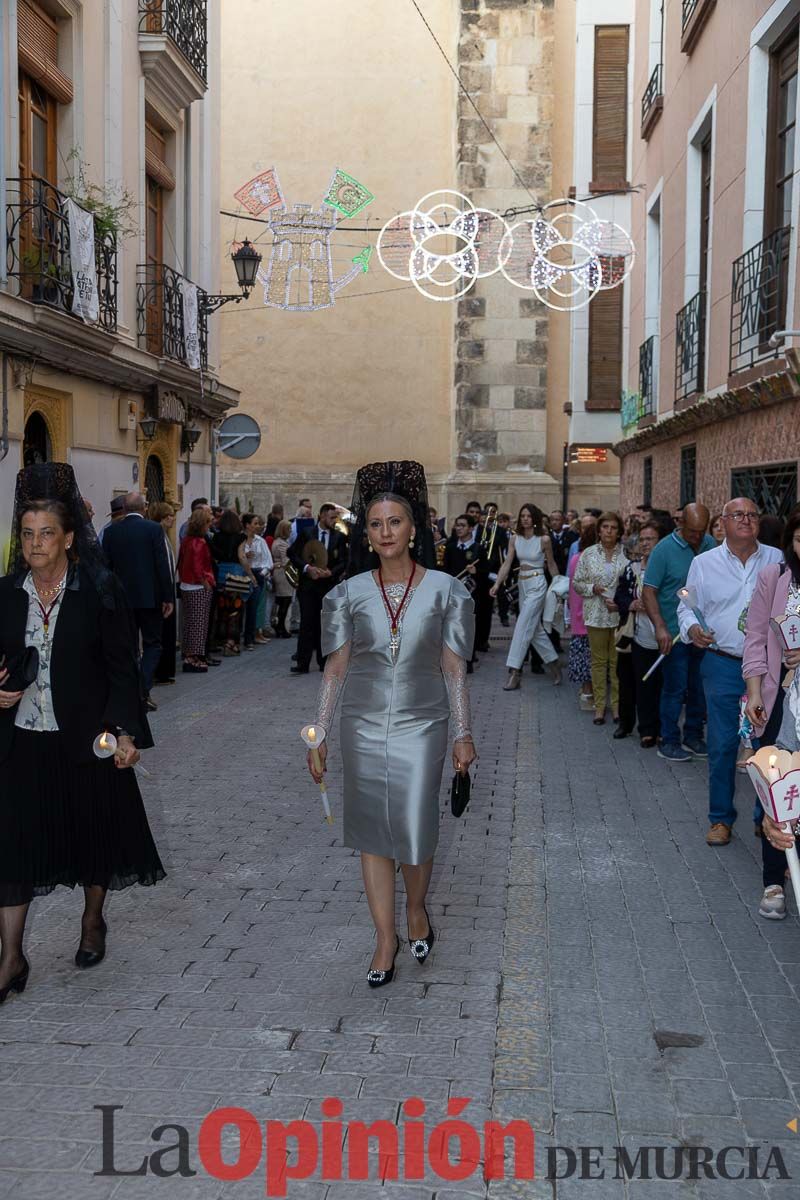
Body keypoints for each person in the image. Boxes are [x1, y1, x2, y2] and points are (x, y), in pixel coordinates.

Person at [308, 461, 475, 987]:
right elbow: (335, 668)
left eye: (395, 522)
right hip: (360, 723)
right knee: (372, 834)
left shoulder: (449, 590)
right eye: (375, 524)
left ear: (413, 528)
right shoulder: (348, 592)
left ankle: (417, 908)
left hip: (424, 724)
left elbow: (453, 666)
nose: (384, 533)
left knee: (414, 826)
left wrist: (463, 734)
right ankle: (385, 939)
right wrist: (319, 732)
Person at [0, 464, 164, 1001]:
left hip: (88, 736)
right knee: (12, 846)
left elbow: (122, 665)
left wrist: (125, 732)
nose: (36, 543)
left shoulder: (99, 589)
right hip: (21, 737)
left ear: (68, 537)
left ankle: (93, 920)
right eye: (27, 533)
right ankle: (11, 957)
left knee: (94, 831)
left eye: (46, 533)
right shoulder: (5, 593)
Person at [678, 498, 783, 846]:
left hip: (769, 666)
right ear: (722, 522)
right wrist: (693, 629)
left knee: (766, 745)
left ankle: (764, 816)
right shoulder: (704, 563)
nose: (746, 520)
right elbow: (686, 606)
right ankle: (720, 818)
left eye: (752, 515)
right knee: (722, 744)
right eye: (738, 515)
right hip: (721, 662)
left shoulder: (777, 559)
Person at [743, 513, 800, 918]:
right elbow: (756, 637)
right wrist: (752, 692)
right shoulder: (773, 577)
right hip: (778, 699)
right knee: (776, 787)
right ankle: (774, 882)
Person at [642, 503, 716, 762]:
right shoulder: (663, 550)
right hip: (674, 633)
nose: (697, 537)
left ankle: (694, 736)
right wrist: (660, 626)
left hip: (703, 633)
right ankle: (669, 739)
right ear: (680, 523)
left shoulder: (711, 544)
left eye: (701, 531)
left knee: (698, 687)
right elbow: (649, 590)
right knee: (675, 688)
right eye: (692, 531)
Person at [102, 493, 173, 713]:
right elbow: (162, 565)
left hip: (122, 599)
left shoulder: (112, 532)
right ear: (144, 508)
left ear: (123, 508)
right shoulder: (153, 529)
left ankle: (133, 690)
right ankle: (142, 688)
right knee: (153, 644)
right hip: (149, 598)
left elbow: (106, 569)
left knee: (130, 646)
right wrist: (168, 597)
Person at [490, 504, 561, 692]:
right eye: (523, 516)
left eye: (529, 516)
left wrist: (559, 587)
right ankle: (554, 664)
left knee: (522, 625)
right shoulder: (515, 539)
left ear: (535, 518)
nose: (525, 519)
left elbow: (552, 565)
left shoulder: (544, 539)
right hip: (522, 584)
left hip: (538, 584)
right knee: (534, 630)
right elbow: (507, 563)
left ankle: (515, 672)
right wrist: (497, 584)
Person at [572, 511, 627, 724]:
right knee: (598, 662)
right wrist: (592, 588)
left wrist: (621, 602)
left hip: (617, 615)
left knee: (616, 662)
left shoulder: (626, 554)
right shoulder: (588, 554)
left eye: (613, 528)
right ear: (599, 530)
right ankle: (599, 705)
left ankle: (616, 706)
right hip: (595, 613)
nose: (609, 531)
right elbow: (577, 583)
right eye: (605, 527)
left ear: (619, 531)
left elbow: (632, 583)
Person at [613, 520, 665, 746]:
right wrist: (631, 604)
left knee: (663, 685)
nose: (645, 544)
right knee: (641, 683)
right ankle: (645, 729)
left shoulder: (667, 567)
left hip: (665, 634)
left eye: (650, 539)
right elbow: (620, 596)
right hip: (639, 634)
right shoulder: (632, 568)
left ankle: (662, 728)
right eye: (642, 540)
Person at [289, 505, 348, 674]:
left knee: (325, 624)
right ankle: (302, 663)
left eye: (335, 518)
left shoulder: (339, 537)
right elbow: (292, 554)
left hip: (327, 586)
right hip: (308, 586)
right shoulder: (307, 533)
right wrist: (308, 568)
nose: (334, 521)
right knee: (307, 623)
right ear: (322, 516)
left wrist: (332, 572)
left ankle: (324, 662)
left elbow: (344, 560)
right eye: (331, 517)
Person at [443, 515, 486, 674]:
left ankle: (468, 660)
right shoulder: (450, 547)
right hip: (453, 593)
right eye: (457, 525)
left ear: (470, 528)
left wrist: (477, 572)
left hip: (471, 594)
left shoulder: (478, 549)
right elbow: (445, 570)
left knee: (468, 628)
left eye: (462, 525)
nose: (459, 528)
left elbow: (486, 571)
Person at [176, 506, 216, 672]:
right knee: (199, 623)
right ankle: (194, 657)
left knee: (189, 623)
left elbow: (182, 561)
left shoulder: (186, 540)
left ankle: (188, 654)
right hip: (197, 585)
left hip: (186, 584)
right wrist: (205, 582)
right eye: (208, 523)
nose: (209, 526)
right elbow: (198, 566)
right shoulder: (199, 542)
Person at [209, 510, 255, 655]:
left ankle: (220, 640)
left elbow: (214, 556)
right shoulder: (241, 537)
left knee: (222, 609)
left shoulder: (216, 536)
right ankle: (231, 643)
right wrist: (251, 576)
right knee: (235, 610)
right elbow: (242, 558)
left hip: (221, 575)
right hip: (236, 575)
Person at [567, 518, 597, 711]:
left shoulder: (576, 557)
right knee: (590, 658)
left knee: (587, 658)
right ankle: (588, 694)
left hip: (581, 615)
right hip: (588, 615)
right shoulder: (585, 559)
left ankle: (587, 692)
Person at [148, 501, 178, 686]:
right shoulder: (156, 535)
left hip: (168, 588)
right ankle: (160, 671)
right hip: (161, 591)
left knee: (168, 632)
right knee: (161, 632)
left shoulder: (165, 536)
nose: (172, 519)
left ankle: (165, 670)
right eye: (168, 516)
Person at [241, 513, 273, 649]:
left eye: (258, 523)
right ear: (247, 525)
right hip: (243, 573)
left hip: (258, 573)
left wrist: (263, 572)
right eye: (255, 523)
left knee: (254, 607)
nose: (257, 526)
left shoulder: (261, 541)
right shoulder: (241, 540)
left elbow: (268, 560)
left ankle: (250, 637)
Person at [270, 519, 294, 637]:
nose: (290, 531)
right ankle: (281, 628)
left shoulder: (278, 542)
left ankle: (279, 626)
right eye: (289, 529)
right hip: (283, 573)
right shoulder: (282, 544)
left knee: (281, 601)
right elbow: (286, 560)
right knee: (285, 600)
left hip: (279, 571)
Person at [548, 509, 578, 575]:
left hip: (565, 573)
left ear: (563, 521)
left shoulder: (571, 537)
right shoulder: (547, 537)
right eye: (552, 520)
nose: (554, 522)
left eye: (557, 520)